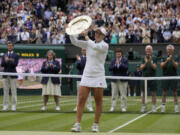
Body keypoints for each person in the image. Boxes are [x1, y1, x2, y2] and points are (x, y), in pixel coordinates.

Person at [70, 27, 108, 132]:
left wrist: (86, 36)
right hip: (86, 75)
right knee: (81, 100)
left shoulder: (104, 45)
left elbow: (95, 47)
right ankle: (77, 124)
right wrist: (72, 31)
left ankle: (95, 124)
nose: (98, 34)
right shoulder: (88, 43)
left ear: (104, 36)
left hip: (98, 76)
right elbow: (74, 41)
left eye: (100, 33)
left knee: (98, 101)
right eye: (96, 32)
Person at [1, 41, 19, 111]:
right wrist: (8, 60)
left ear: (13, 47)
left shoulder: (16, 55)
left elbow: (15, 64)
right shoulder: (4, 55)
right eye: (8, 46)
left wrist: (9, 60)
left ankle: (14, 105)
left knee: (13, 90)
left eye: (11, 46)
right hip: (5, 74)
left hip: (13, 74)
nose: (10, 47)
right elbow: (2, 64)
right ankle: (5, 105)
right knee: (5, 91)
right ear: (7, 47)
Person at [160, 45, 179, 113]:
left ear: (173, 51)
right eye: (168, 49)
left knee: (175, 93)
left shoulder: (176, 57)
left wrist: (172, 60)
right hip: (165, 77)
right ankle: (163, 107)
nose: (169, 51)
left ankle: (176, 107)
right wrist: (167, 61)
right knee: (164, 93)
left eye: (170, 49)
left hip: (173, 77)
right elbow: (161, 66)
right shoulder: (164, 57)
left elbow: (176, 66)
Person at [140, 45, 157, 113]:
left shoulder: (155, 58)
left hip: (152, 78)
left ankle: (154, 107)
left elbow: (155, 68)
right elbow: (141, 67)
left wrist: (150, 61)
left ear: (151, 50)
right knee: (144, 93)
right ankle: (143, 107)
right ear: (145, 50)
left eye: (149, 49)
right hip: (144, 78)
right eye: (147, 49)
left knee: (153, 93)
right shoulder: (142, 58)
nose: (148, 51)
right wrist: (146, 62)